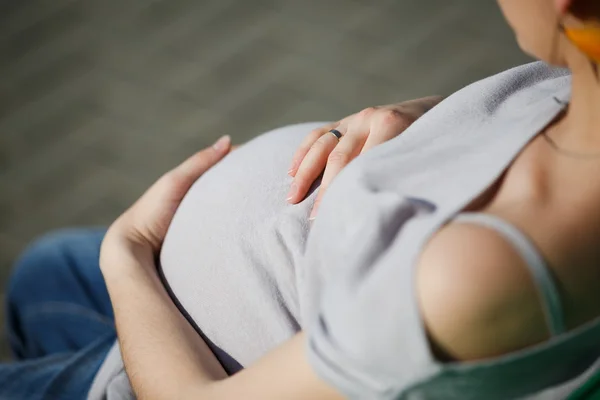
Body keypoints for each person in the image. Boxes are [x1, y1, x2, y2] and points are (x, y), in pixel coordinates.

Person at [4, 0, 600, 399]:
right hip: (195, 291)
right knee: (43, 271)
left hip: (169, 366)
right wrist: (426, 119)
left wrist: (127, 254)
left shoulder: (478, 277)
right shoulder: (575, 80)